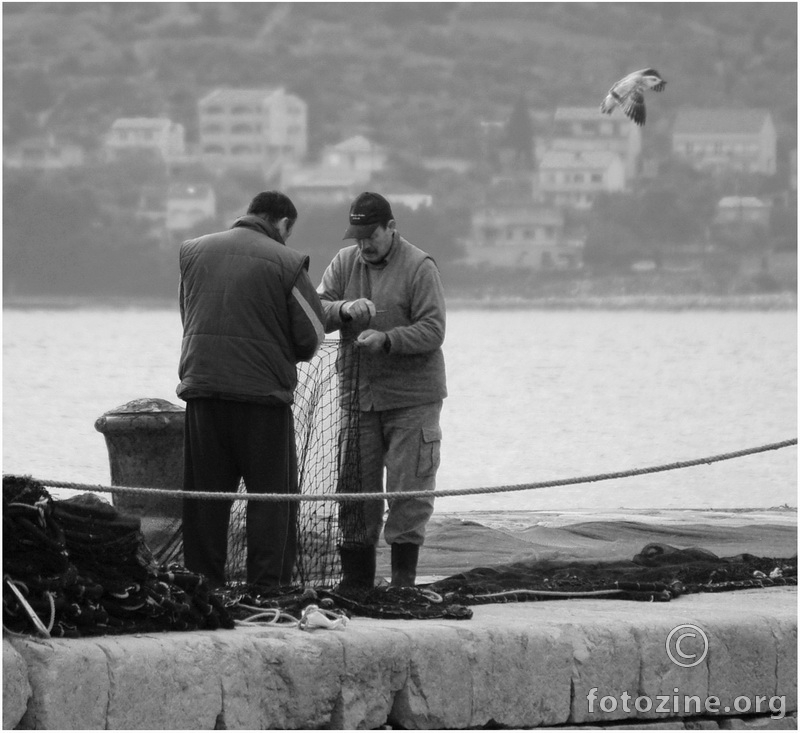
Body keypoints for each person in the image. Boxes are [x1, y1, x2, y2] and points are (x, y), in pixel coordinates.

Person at [177, 191, 325, 590]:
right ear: (283, 225)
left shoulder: (193, 252)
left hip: (202, 395)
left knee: (205, 501)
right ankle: (266, 589)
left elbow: (189, 316)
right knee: (273, 501)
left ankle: (202, 588)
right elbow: (311, 334)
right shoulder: (287, 262)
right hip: (261, 401)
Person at [317, 191, 447, 589]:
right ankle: (358, 584)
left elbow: (433, 329)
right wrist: (341, 310)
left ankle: (403, 583)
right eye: (357, 237)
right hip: (358, 398)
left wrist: (388, 340)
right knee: (355, 493)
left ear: (391, 228)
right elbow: (313, 308)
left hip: (412, 401)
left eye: (370, 235)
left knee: (409, 491)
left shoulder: (420, 267)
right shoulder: (344, 262)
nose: (363, 245)